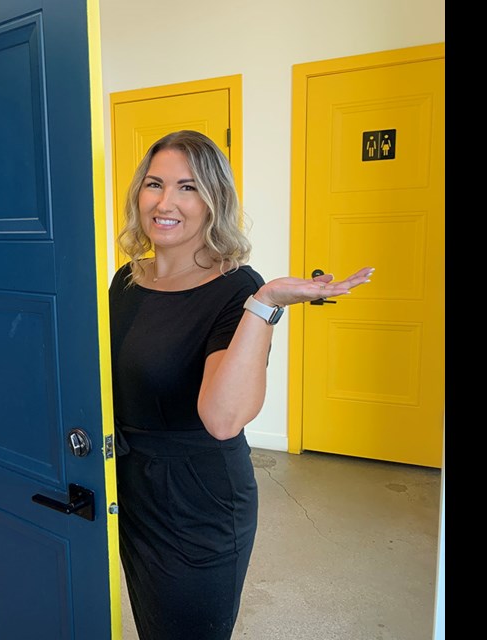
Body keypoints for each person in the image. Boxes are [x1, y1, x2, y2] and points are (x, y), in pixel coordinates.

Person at [109, 130, 372, 640]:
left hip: (199, 501)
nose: (165, 202)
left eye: (188, 187)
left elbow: (223, 417)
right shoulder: (125, 280)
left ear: (213, 202)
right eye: (154, 184)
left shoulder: (238, 288)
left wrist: (265, 302)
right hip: (129, 486)